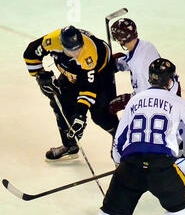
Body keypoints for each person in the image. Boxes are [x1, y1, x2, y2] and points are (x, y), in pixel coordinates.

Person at [72, 58, 185, 215]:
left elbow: (119, 141)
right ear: (170, 81)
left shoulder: (135, 100)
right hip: (161, 166)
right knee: (179, 205)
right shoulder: (178, 103)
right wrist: (178, 151)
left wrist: (121, 165)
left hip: (129, 165)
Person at [108, 18, 185, 195]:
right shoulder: (145, 45)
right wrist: (121, 63)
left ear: (120, 41)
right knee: (178, 141)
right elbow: (138, 64)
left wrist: (124, 100)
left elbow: (144, 97)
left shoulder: (140, 67)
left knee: (170, 143)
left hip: (163, 103)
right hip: (171, 95)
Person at [23, 26, 119, 161]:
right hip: (71, 74)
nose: (77, 53)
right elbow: (30, 52)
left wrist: (80, 114)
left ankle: (121, 140)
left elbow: (89, 88)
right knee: (60, 104)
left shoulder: (88, 55)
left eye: (78, 48)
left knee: (101, 115)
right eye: (72, 50)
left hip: (100, 74)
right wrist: (40, 75)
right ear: (62, 45)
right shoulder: (51, 41)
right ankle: (70, 146)